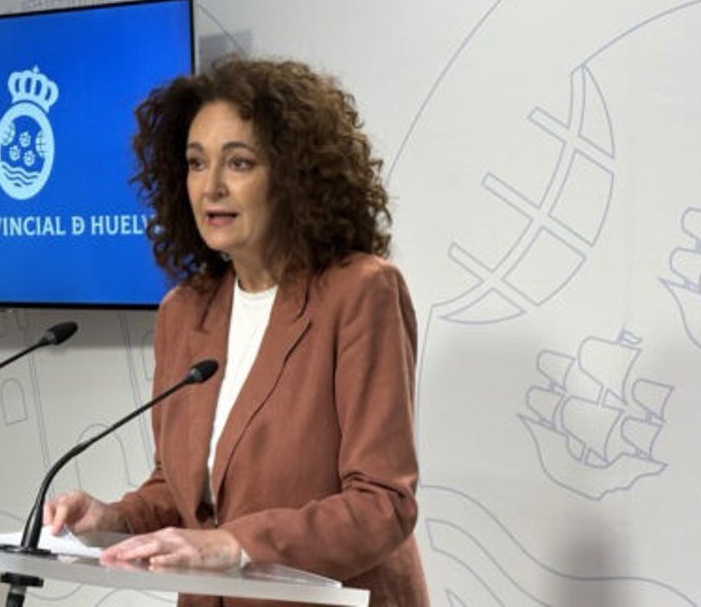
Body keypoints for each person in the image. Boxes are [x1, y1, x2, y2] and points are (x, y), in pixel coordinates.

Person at [44, 57, 428, 606]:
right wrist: (113, 520)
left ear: (293, 178)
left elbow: (382, 503)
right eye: (196, 164)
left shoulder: (360, 293)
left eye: (239, 163)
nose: (212, 187)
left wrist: (234, 544)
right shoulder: (185, 311)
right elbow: (180, 489)